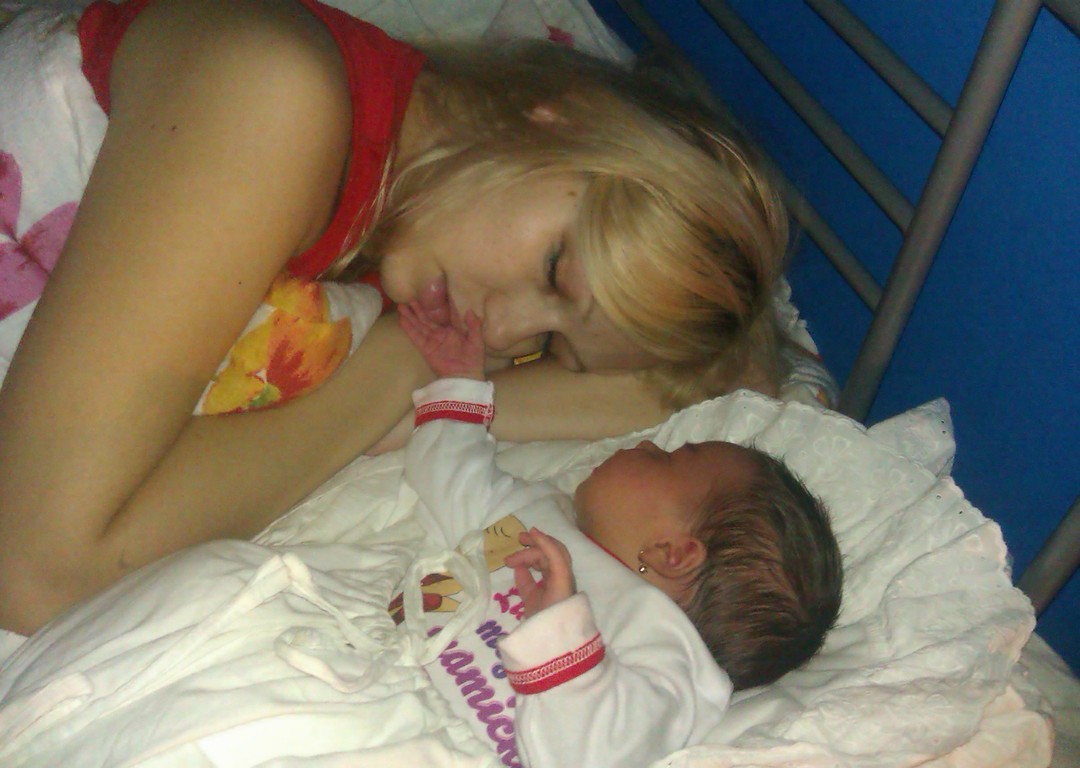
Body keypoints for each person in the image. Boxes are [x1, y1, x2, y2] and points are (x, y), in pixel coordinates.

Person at [0, 0, 792, 636]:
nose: (505, 334)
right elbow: (38, 570)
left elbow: (706, 385)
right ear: (563, 118)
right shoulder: (274, 97)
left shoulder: (415, 215)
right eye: (556, 269)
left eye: (553, 342)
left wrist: (428, 399)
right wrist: (395, 374)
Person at [394, 298, 842, 768]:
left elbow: (591, 754)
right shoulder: (542, 521)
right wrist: (459, 381)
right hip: (387, 680)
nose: (646, 442)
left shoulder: (670, 663)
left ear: (672, 552)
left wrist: (559, 628)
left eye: (666, 458)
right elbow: (451, 482)